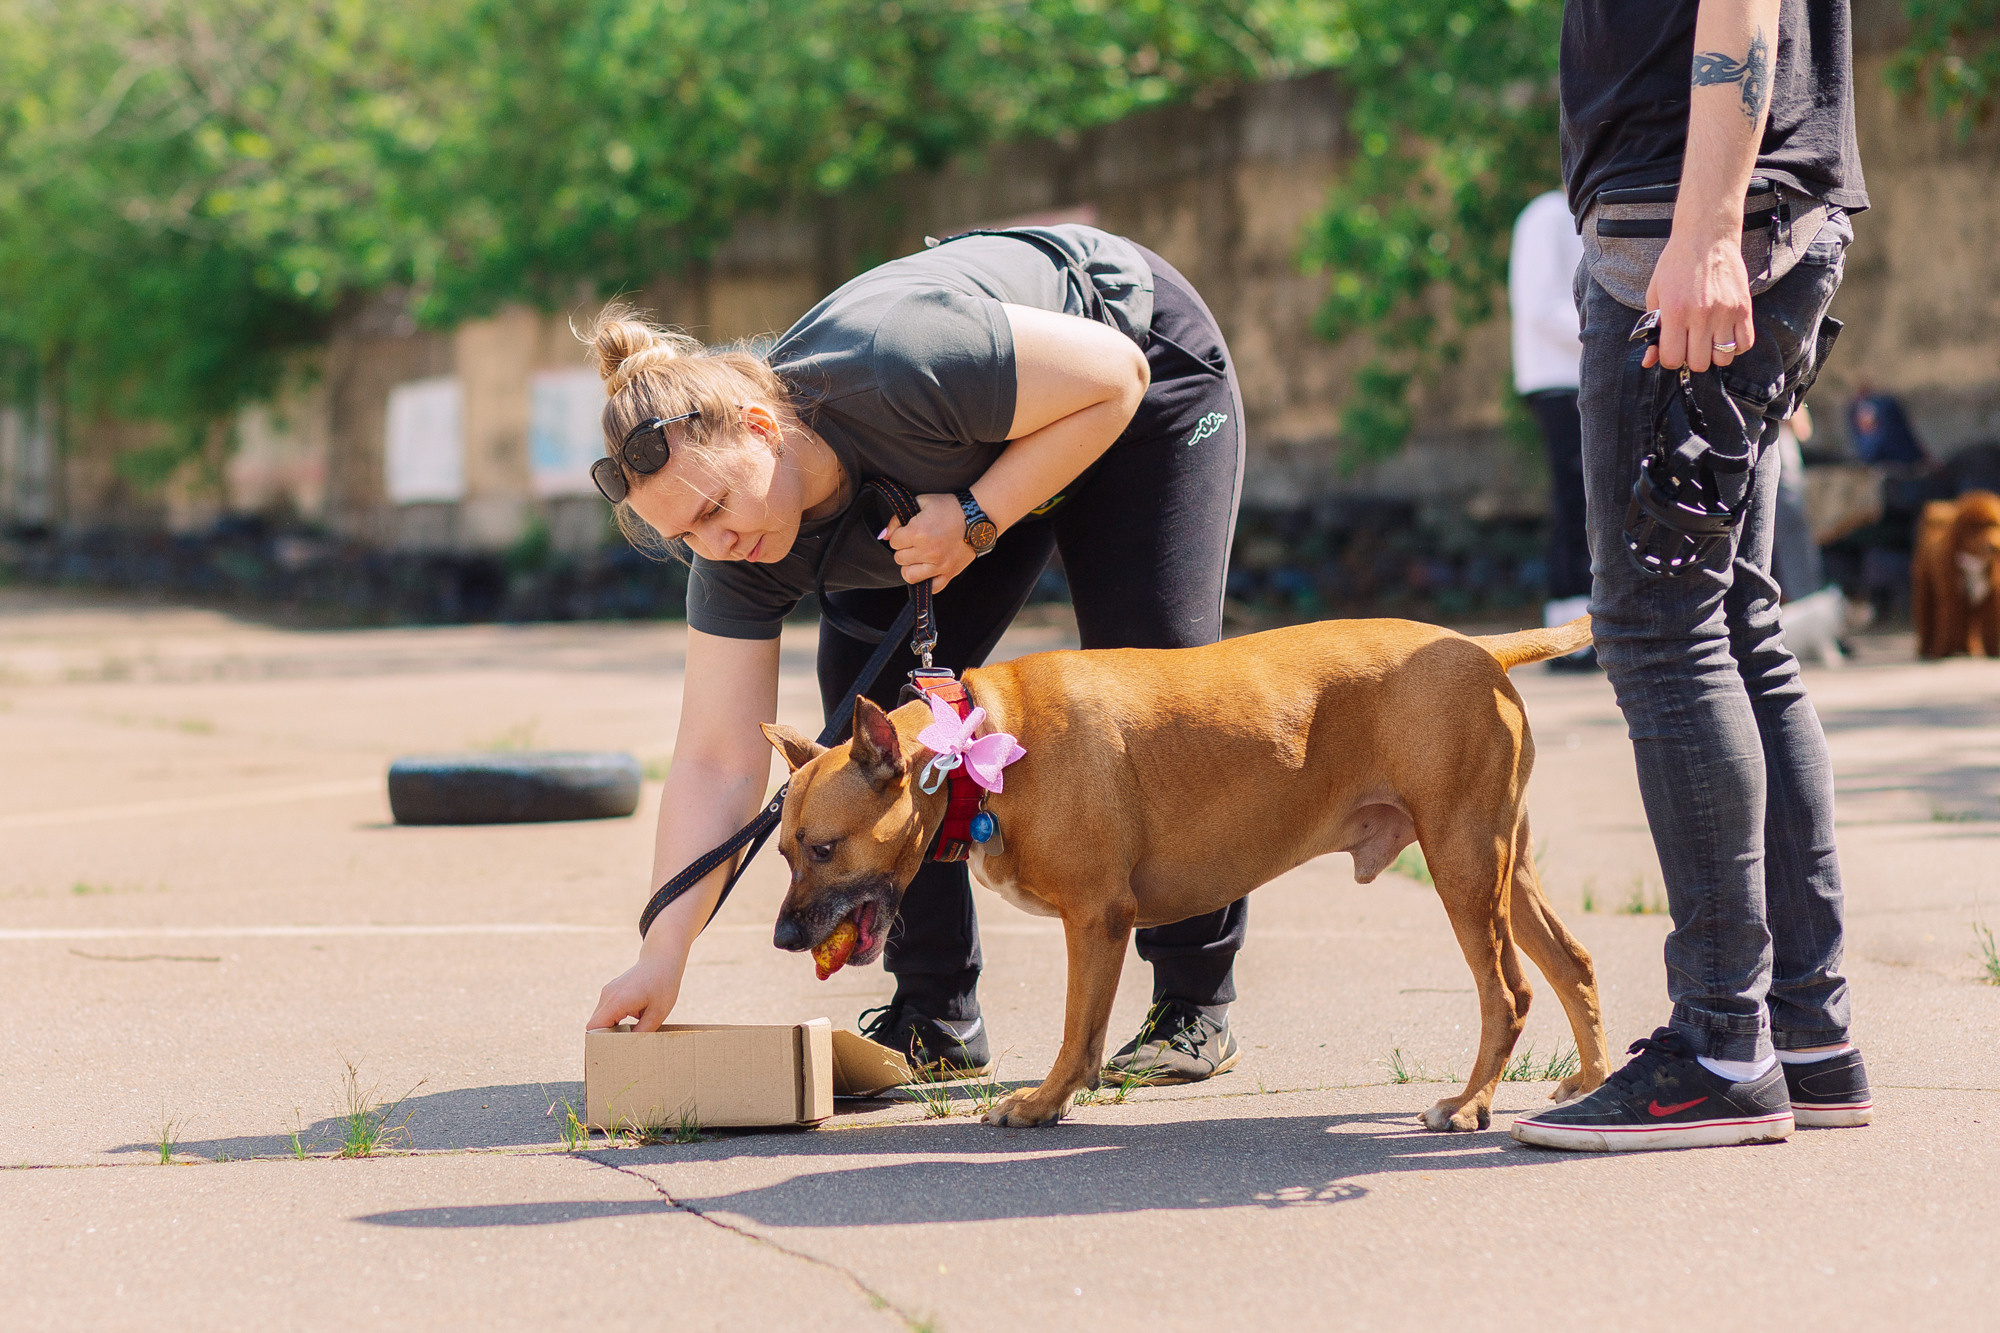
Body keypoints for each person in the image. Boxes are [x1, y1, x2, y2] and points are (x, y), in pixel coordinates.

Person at [583, 225, 1248, 1085]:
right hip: (966, 466)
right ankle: (933, 1010)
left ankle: (1193, 1002)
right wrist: (662, 949)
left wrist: (977, 515)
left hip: (1131, 378)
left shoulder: (894, 362)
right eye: (686, 537)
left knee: (1160, 690)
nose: (717, 542)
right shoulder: (734, 552)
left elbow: (1117, 376)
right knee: (884, 726)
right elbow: (715, 760)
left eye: (716, 508)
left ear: (760, 426)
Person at [1512, 0, 1874, 1151]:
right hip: (1733, 213)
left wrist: (1707, 228)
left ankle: (1721, 1045)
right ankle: (1802, 1035)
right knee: (1734, 624)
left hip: (1693, 226)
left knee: (1660, 631)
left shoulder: (1703, 222)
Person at [1507, 187, 1594, 668]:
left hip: (1582, 374)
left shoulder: (1585, 213)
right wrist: (1615, 331)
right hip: (1558, 379)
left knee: (1587, 498)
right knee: (1575, 498)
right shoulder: (1545, 215)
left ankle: (1582, 624)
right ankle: (1567, 632)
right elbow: (1541, 307)